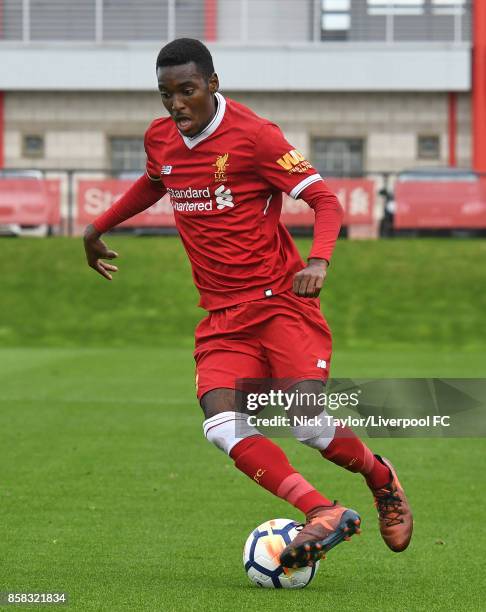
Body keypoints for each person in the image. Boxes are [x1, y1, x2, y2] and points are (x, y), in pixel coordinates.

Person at [83, 38, 412, 568]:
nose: (176, 104)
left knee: (305, 422)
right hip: (223, 316)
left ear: (213, 84)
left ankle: (381, 479)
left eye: (187, 90)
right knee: (221, 427)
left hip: (282, 303)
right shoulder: (161, 138)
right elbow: (153, 183)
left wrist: (319, 262)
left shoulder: (257, 137)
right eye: (166, 94)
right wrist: (97, 227)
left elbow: (324, 200)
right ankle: (323, 511)